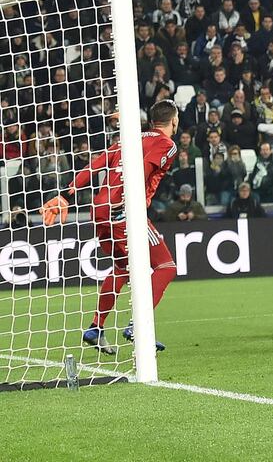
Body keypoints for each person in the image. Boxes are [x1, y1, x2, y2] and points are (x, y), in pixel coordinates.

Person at [40, 100, 180, 354]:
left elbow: (96, 164)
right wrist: (125, 202)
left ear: (151, 121)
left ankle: (96, 327)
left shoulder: (128, 139)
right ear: (174, 121)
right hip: (124, 211)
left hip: (99, 210)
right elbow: (144, 166)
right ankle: (139, 326)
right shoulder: (168, 145)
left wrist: (67, 194)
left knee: (122, 268)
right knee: (166, 267)